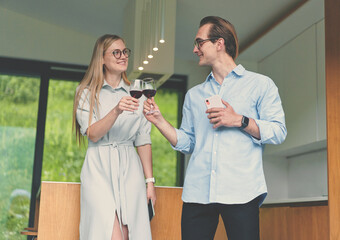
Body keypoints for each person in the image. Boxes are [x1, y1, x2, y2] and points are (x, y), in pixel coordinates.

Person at [143, 16, 287, 240]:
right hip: (198, 193)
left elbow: (278, 131)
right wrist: (159, 120)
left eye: (199, 43)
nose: (194, 49)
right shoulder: (194, 95)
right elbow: (188, 143)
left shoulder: (260, 85)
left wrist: (239, 120)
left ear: (219, 43)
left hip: (242, 192)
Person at [73, 34, 156, 240]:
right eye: (116, 52)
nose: (123, 56)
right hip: (98, 168)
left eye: (125, 51)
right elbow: (92, 134)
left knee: (130, 234)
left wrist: (150, 182)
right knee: (109, 235)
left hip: (130, 168)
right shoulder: (86, 92)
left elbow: (143, 140)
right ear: (101, 58)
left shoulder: (140, 93)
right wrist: (117, 110)